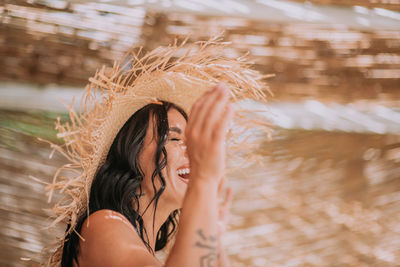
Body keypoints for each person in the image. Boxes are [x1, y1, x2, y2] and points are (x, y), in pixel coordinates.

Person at [43, 38, 269, 267]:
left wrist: (213, 239)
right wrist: (204, 180)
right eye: (174, 138)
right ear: (130, 153)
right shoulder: (103, 224)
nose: (193, 150)